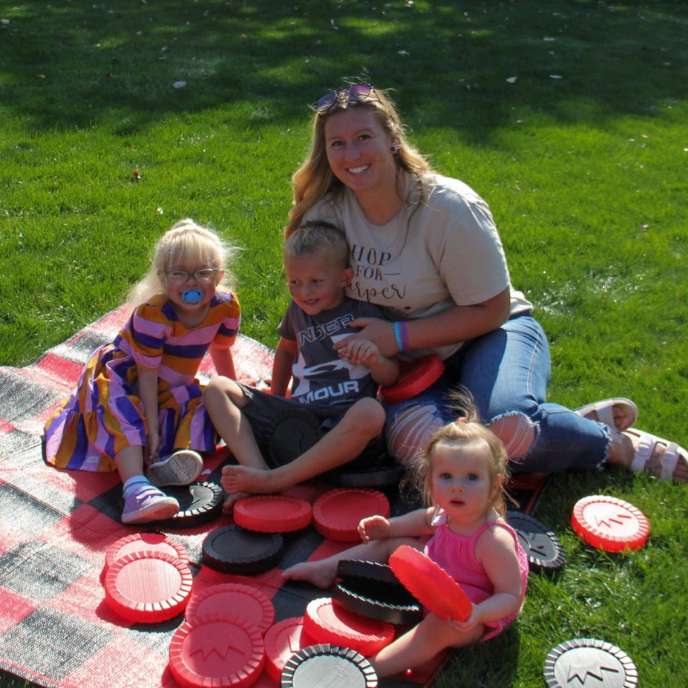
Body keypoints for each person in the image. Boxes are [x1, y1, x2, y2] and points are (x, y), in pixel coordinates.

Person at [285, 81, 687, 483]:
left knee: (507, 433)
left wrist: (398, 335)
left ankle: (616, 444)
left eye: (363, 137)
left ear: (392, 137)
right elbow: (311, 291)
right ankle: (559, 424)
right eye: (337, 144)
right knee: (428, 455)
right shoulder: (327, 215)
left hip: (492, 333)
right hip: (409, 365)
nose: (351, 154)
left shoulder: (447, 206)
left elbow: (492, 310)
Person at [284, 394, 529, 677]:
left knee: (439, 626)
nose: (457, 487)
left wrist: (478, 613)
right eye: (446, 476)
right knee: (391, 545)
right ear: (430, 478)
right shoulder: (446, 511)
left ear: (495, 483)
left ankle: (370, 670)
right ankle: (326, 569)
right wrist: (389, 528)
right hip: (435, 578)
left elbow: (510, 596)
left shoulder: (492, 540)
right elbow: (423, 520)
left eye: (472, 477)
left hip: (471, 611)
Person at [43, 219, 240, 524]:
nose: (192, 283)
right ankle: (135, 488)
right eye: (180, 274)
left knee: (203, 409)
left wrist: (234, 392)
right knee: (127, 416)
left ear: (220, 275)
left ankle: (164, 463)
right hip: (129, 375)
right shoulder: (153, 315)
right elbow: (146, 375)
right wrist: (152, 425)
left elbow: (221, 351)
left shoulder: (226, 307)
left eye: (203, 272)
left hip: (173, 381)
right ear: (162, 278)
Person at [204, 221, 399, 507]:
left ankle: (276, 480)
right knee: (216, 388)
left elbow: (392, 376)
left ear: (345, 277)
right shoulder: (297, 312)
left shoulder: (363, 312)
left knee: (371, 411)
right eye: (294, 282)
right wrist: (277, 396)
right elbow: (285, 352)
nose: (304, 292)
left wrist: (374, 358)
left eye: (315, 282)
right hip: (298, 421)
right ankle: (258, 471)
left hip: (343, 431)